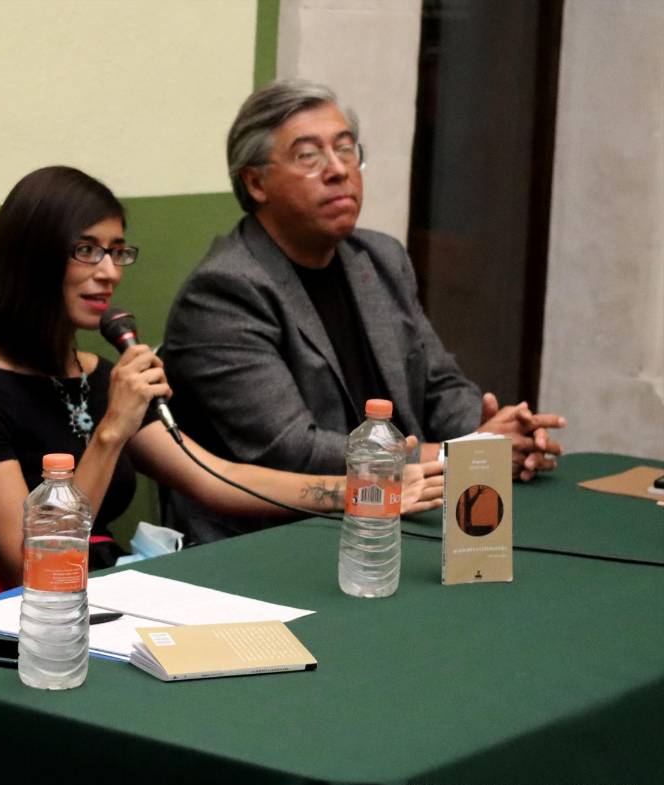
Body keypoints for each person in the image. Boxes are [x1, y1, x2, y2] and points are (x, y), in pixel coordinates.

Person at [0, 166, 443, 597]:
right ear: (32, 258)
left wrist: (363, 490)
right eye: (87, 250)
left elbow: (213, 478)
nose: (110, 271)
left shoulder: (99, 373)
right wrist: (112, 430)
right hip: (20, 611)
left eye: (118, 251)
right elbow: (33, 564)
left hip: (101, 594)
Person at [161, 79, 566, 544]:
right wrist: (457, 455)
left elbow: (438, 384)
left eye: (347, 149)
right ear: (256, 182)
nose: (338, 170)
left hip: (403, 517)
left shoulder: (378, 258)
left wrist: (492, 431)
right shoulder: (225, 292)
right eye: (308, 156)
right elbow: (293, 450)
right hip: (279, 538)